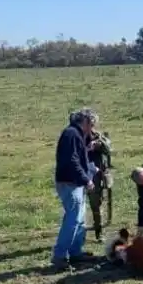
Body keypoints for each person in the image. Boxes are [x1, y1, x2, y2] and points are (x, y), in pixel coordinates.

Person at [52, 107, 100, 269]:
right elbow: (72, 161)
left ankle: (75, 252)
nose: (92, 129)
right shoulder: (72, 134)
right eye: (91, 125)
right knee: (72, 221)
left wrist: (86, 151)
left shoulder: (74, 135)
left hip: (73, 183)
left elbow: (75, 156)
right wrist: (86, 179)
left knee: (79, 220)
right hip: (70, 183)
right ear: (85, 121)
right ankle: (59, 256)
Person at [86, 130, 113, 242]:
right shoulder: (73, 136)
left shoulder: (96, 135)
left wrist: (99, 143)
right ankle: (77, 234)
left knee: (96, 203)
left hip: (95, 174)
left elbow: (108, 149)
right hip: (78, 174)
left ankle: (99, 231)